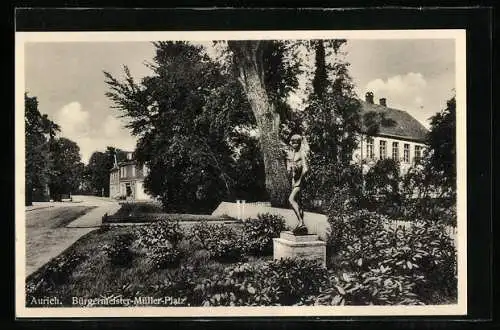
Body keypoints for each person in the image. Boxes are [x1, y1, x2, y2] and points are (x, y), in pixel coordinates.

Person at [287, 134, 309, 234]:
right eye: (293, 142)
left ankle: (301, 222)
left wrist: (300, 180)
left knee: (291, 199)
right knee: (299, 203)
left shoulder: (301, 153)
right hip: (295, 181)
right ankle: (302, 225)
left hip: (301, 181)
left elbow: (305, 169)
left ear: (300, 143)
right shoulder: (294, 153)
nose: (294, 144)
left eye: (296, 142)